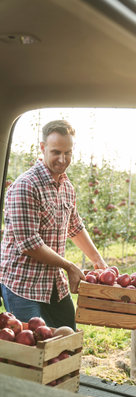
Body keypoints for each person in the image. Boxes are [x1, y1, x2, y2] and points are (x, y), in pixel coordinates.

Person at [0, 119, 107, 330]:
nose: (62, 159)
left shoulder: (66, 186)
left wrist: (98, 260)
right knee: (32, 350)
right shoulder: (26, 186)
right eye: (56, 152)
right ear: (42, 148)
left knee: (69, 338)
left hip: (52, 282)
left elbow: (74, 226)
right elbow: (30, 244)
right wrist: (68, 266)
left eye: (68, 153)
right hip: (23, 283)